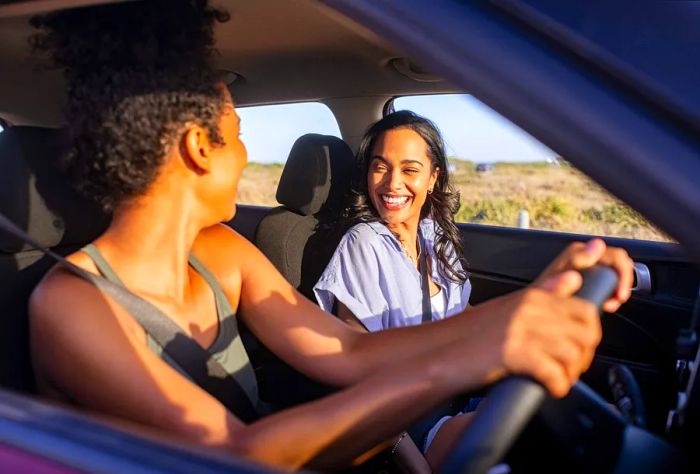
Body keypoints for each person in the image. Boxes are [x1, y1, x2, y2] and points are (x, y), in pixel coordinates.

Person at [27, 1, 633, 471]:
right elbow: (236, 457)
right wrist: (457, 366)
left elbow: (349, 352)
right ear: (195, 147)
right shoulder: (73, 303)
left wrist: (526, 308)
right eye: (236, 134)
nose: (245, 153)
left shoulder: (219, 252)